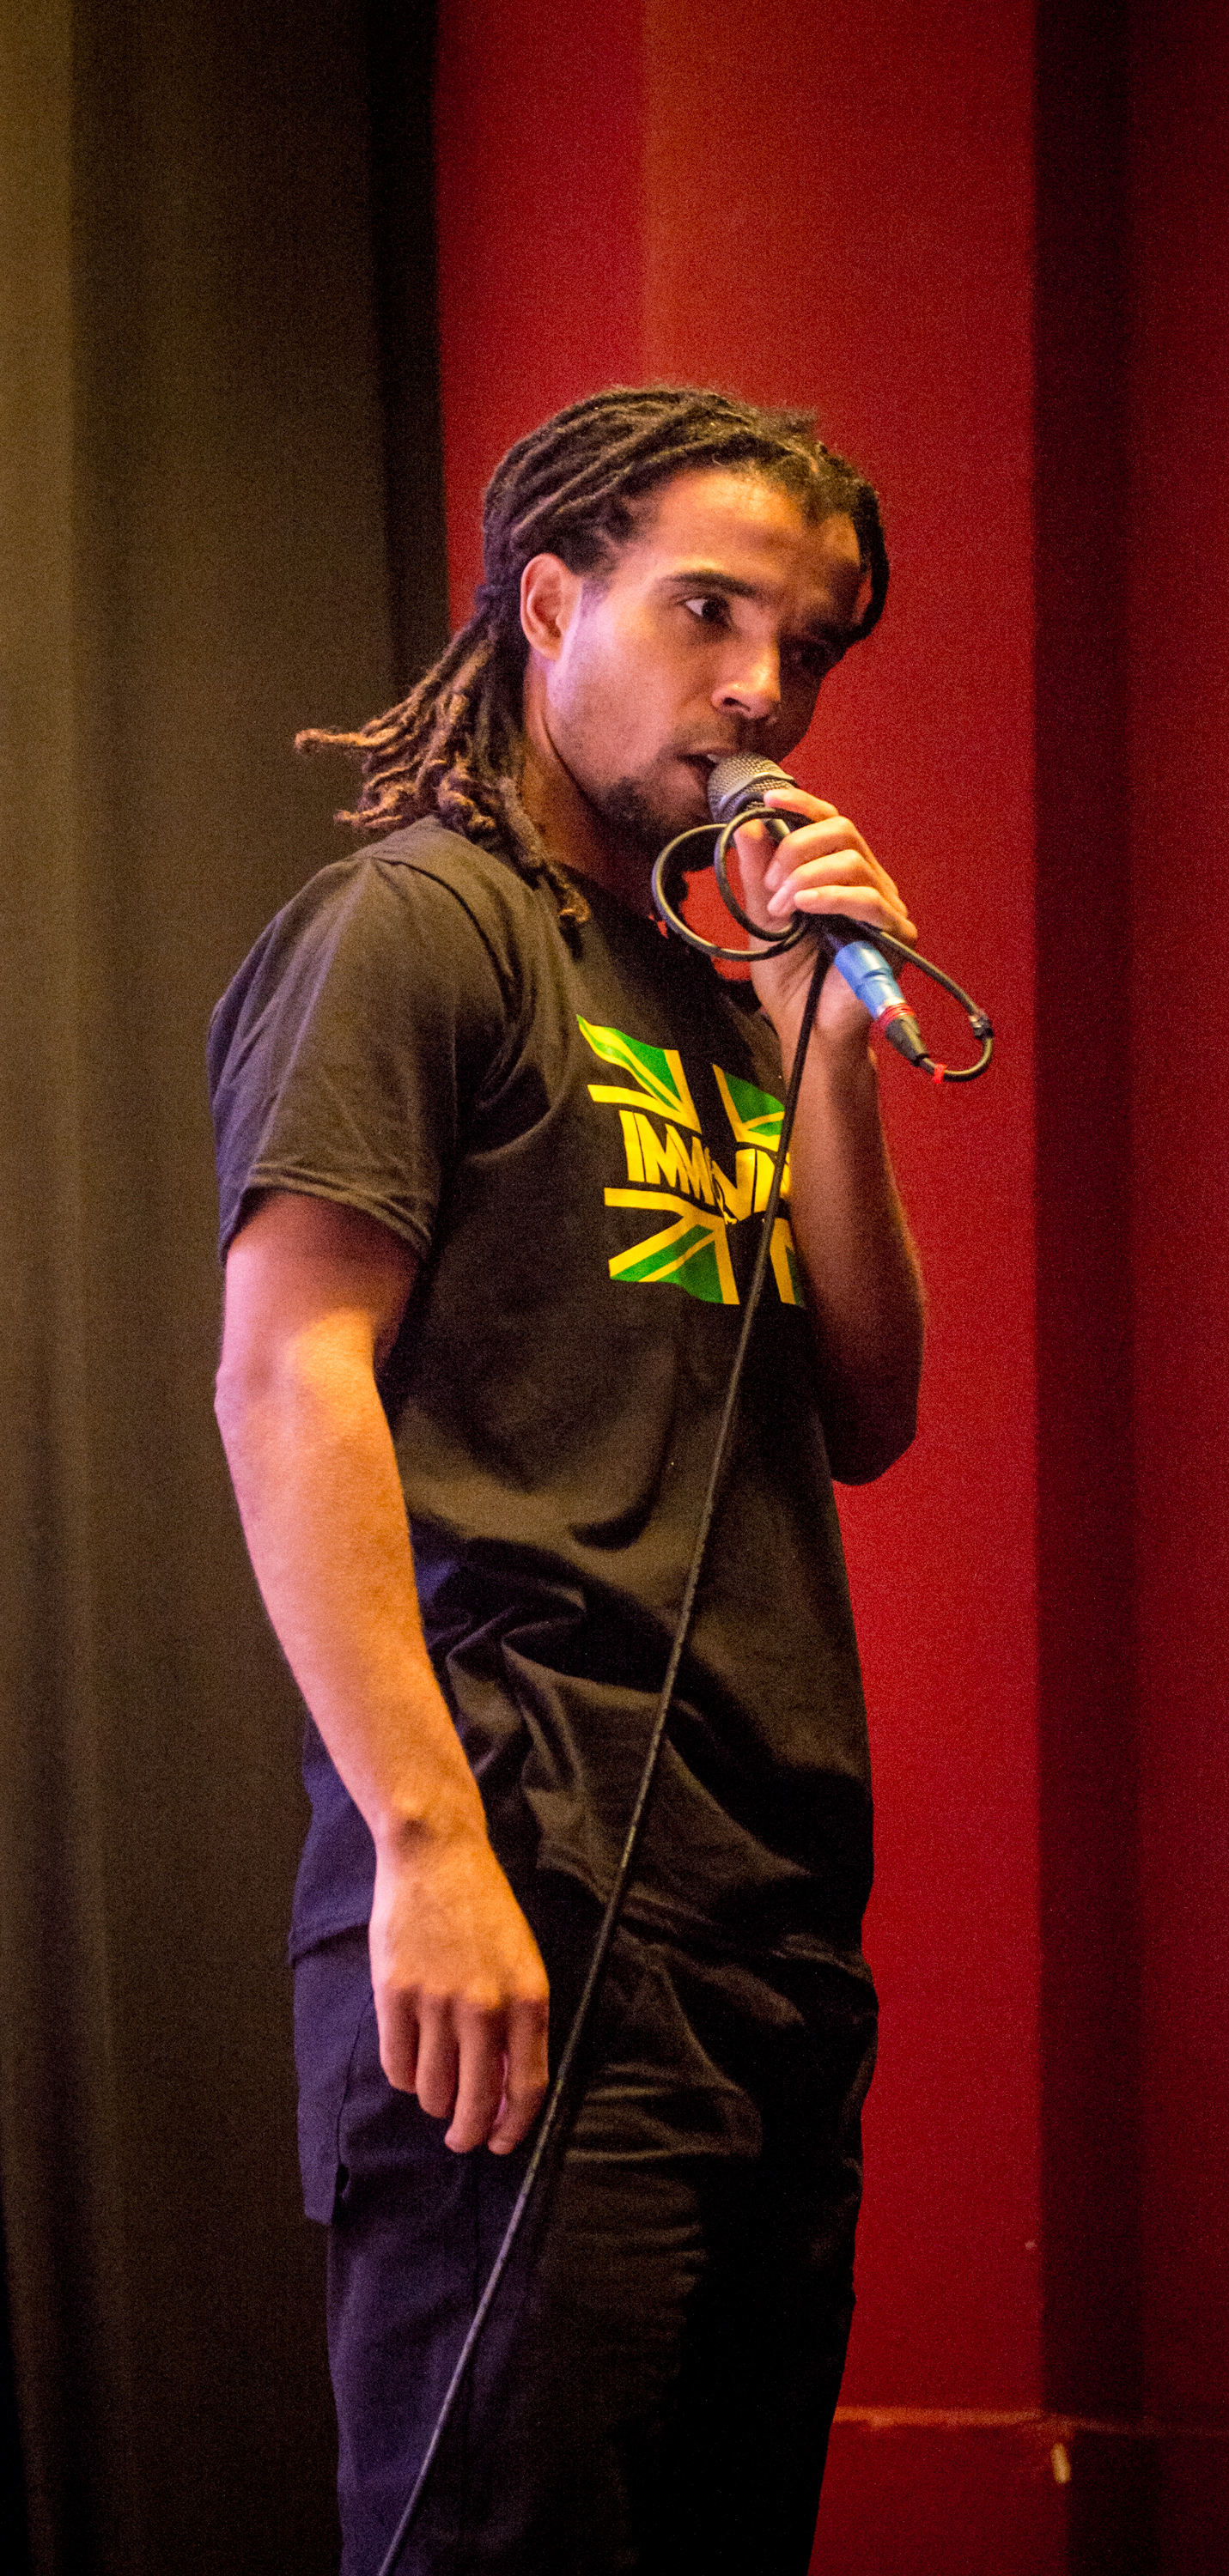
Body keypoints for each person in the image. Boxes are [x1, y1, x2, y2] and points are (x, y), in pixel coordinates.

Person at [210, 386, 924, 2574]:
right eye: (708, 611)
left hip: (762, 1931)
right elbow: (284, 1374)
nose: (759, 690)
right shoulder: (417, 932)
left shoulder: (723, 1010)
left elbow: (869, 1405)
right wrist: (428, 1846)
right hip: (525, 1893)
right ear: (549, 603)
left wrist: (821, 1041)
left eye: (800, 647)